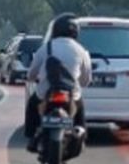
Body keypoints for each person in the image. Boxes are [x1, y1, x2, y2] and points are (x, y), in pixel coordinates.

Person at [25, 14, 93, 151]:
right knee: (80, 112)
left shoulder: (46, 48)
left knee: (32, 105)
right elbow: (86, 79)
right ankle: (81, 136)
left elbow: (31, 73)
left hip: (45, 92)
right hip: (71, 94)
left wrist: (33, 79)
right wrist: (80, 84)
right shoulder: (81, 51)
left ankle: (31, 137)